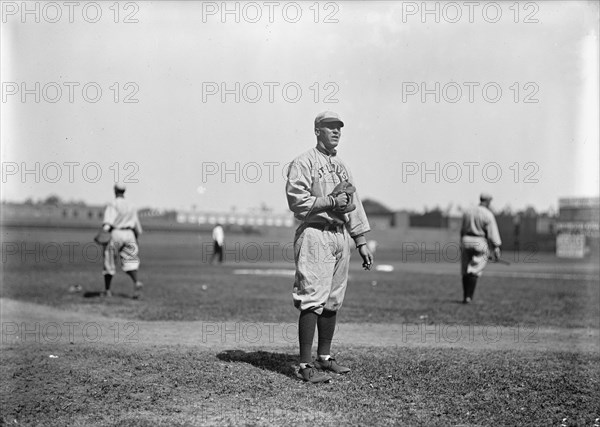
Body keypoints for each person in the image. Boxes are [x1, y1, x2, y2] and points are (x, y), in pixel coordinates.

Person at [286, 111, 374, 383]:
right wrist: (330, 202)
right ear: (317, 130)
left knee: (333, 299)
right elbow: (296, 200)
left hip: (339, 236)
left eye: (339, 128)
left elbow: (354, 204)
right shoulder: (303, 162)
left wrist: (360, 240)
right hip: (315, 232)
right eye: (330, 127)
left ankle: (323, 358)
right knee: (312, 296)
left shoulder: (343, 167)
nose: (336, 132)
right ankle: (303, 364)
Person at [101, 182, 144, 299]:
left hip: (116, 233)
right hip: (130, 234)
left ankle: (108, 290)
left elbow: (108, 222)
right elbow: (137, 227)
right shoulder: (132, 205)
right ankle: (136, 282)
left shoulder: (113, 203)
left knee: (109, 261)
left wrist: (103, 233)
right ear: (124, 191)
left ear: (115, 190)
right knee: (131, 261)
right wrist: (136, 239)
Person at [460, 193, 502, 304]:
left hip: (466, 240)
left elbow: (462, 229)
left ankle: (465, 296)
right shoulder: (488, 214)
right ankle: (469, 297)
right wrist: (496, 248)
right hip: (479, 241)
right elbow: (493, 234)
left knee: (465, 270)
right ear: (487, 201)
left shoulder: (468, 211)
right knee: (474, 270)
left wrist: (461, 243)